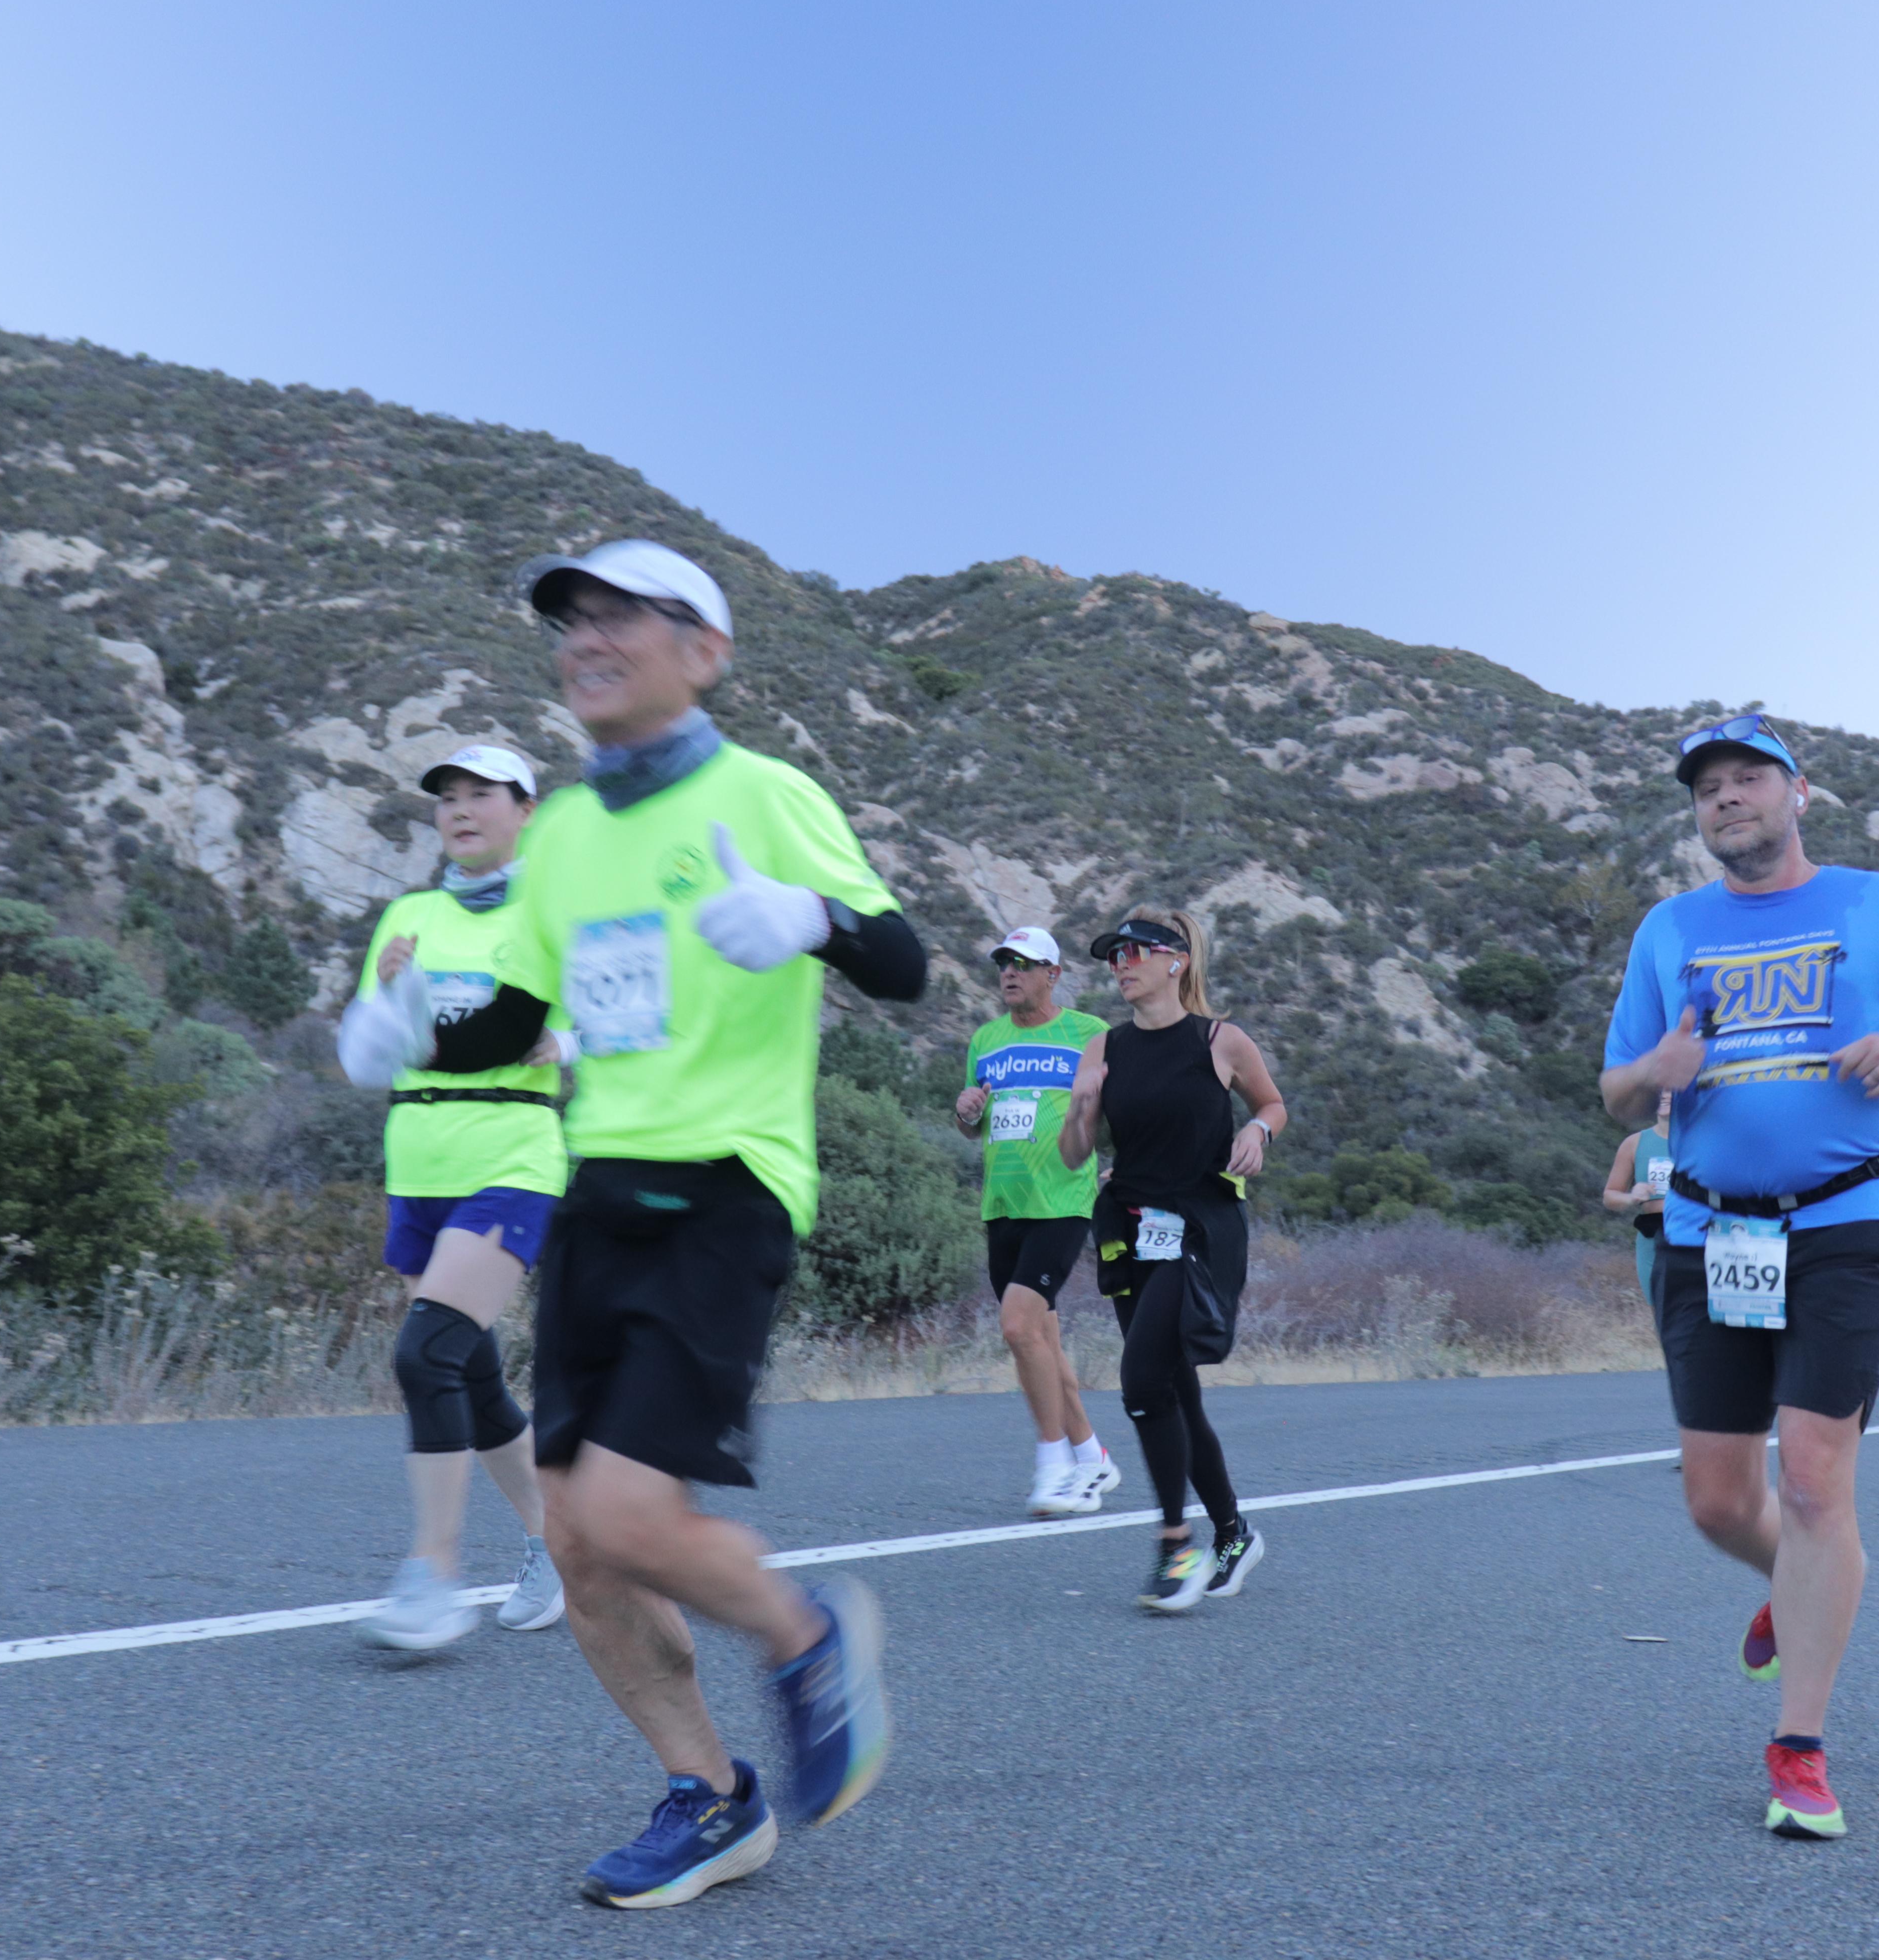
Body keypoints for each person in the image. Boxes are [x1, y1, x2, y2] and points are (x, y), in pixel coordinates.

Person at [360, 539, 925, 1907]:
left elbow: (902, 962)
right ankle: (710, 1797)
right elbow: (520, 1014)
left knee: (625, 1507)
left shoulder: (765, 793)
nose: (589, 638)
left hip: (727, 1185)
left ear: (705, 651)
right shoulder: (561, 834)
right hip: (598, 1194)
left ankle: (807, 1635)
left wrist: (810, 918)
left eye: (624, 615)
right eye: (573, 619)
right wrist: (407, 1026)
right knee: (576, 1541)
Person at [1600, 713, 1879, 1842]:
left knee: (1820, 1482)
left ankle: (1799, 1747)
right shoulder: (1669, 930)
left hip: (1848, 1220)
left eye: (1750, 778)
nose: (1728, 798)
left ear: (1799, 794)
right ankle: (1798, 1588)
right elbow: (1617, 1091)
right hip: (1709, 1232)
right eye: (1710, 788)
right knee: (1717, 1499)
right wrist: (1657, 1070)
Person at [349, 744, 569, 1648]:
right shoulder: (409, 916)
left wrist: (572, 1042)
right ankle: (558, 1541)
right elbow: (369, 1053)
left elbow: (618, 1014)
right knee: (471, 1377)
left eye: (483, 794)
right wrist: (389, 1002)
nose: (461, 809)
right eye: (448, 797)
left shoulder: (553, 910)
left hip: (511, 1157)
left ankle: (433, 1577)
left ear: (527, 810)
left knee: (426, 1354)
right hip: (418, 1166)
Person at [1057, 910, 1288, 1613]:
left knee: (1140, 1380)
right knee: (1174, 1391)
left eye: (1134, 953)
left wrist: (1257, 1129)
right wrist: (1082, 1110)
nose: (1121, 965)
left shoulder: (1221, 1041)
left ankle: (1175, 1545)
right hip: (1131, 1230)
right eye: (1114, 956)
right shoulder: (1103, 1047)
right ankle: (1234, 1534)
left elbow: (1273, 1104)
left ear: (1175, 961)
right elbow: (1074, 1155)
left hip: (1202, 1229)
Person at [955, 926, 1122, 1517]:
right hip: (1003, 1205)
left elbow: (1132, 1105)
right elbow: (971, 1121)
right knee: (1042, 1342)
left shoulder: (1090, 1033)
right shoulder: (986, 1039)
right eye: (1004, 962)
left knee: (1018, 1328)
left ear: (1054, 974)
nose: (1010, 972)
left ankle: (1053, 1467)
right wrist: (965, 1111)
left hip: (1062, 1201)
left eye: (1024, 964)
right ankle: (1092, 1456)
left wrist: (1128, 1167)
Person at [1605, 1090, 1680, 1315]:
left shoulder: (1701, 1140)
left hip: (1693, 1233)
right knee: (1662, 1314)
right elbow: (1610, 1196)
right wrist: (1632, 1197)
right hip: (1652, 1237)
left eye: (1671, 1091)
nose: (1665, 1096)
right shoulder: (1634, 1144)